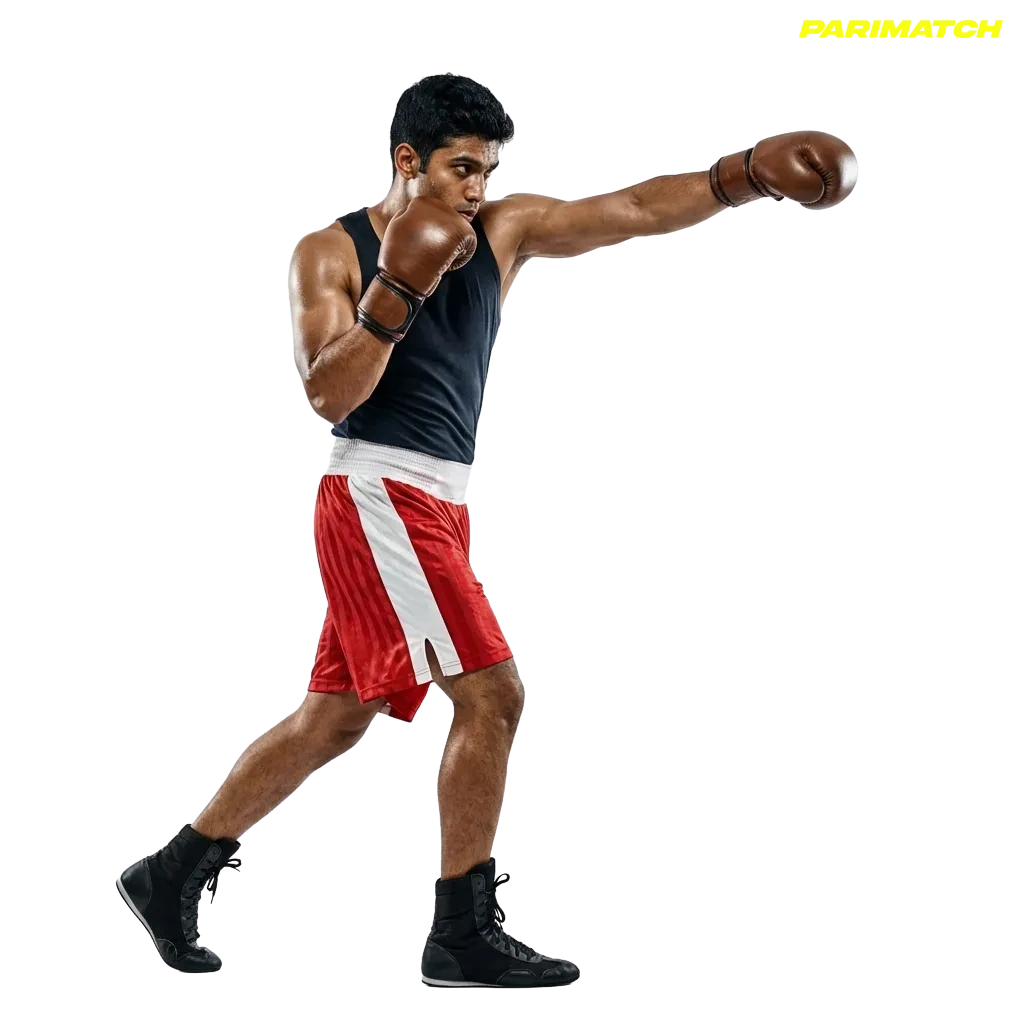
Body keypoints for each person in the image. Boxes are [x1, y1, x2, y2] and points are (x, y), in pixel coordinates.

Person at [115, 74, 859, 984]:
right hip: (379, 492)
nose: (477, 188)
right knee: (492, 696)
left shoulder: (501, 233)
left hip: (439, 503)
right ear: (408, 160)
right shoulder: (330, 249)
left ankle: (167, 875)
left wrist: (737, 177)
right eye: (461, 168)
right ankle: (459, 935)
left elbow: (627, 210)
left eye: (487, 170)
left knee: (334, 717)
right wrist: (396, 290)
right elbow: (329, 395)